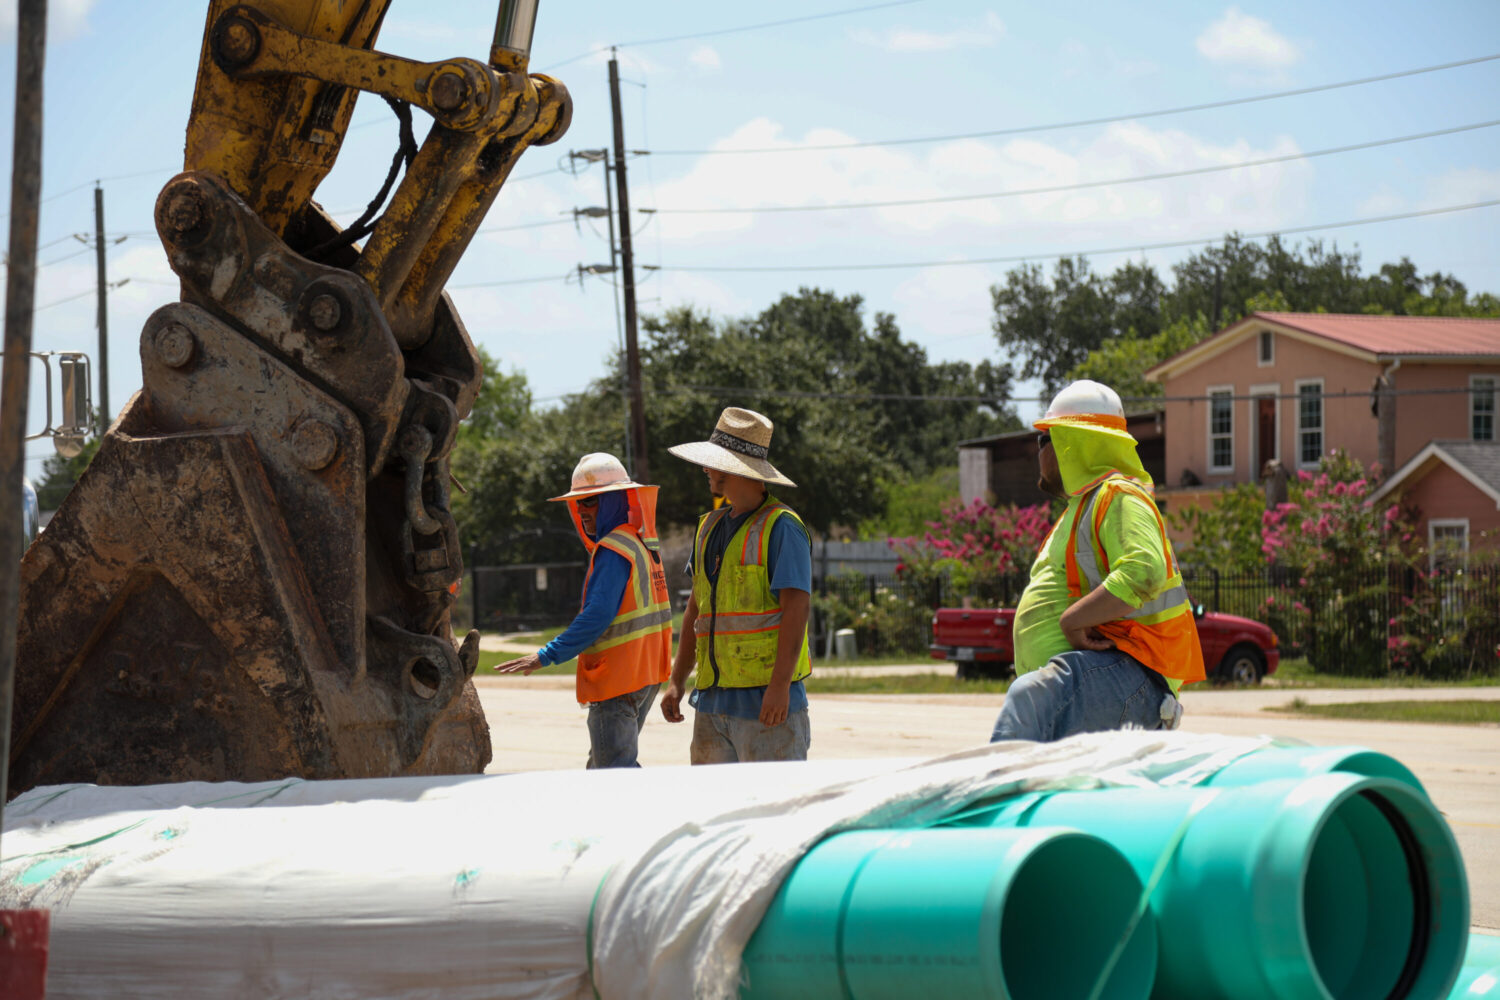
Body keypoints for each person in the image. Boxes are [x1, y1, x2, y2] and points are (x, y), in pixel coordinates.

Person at [990, 380, 1205, 743]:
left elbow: (1144, 570)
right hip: (1106, 676)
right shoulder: (1081, 509)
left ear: (1072, 443)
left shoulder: (1119, 495)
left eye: (1045, 439)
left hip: (1131, 672)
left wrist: (1072, 620)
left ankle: (992, 799)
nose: (1038, 452)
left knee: (1028, 701)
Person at [497, 453, 672, 768]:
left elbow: (597, 615)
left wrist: (547, 654)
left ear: (613, 501)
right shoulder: (639, 542)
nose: (582, 511)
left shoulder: (613, 549)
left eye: (590, 501)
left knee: (612, 774)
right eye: (578, 504)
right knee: (605, 765)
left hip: (618, 679)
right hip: (644, 675)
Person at [660, 407, 813, 763]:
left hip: (768, 706)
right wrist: (676, 680)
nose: (705, 470)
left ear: (732, 468)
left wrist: (778, 689)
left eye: (712, 463)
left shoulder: (782, 527)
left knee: (774, 812)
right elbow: (696, 610)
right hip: (712, 704)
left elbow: (797, 608)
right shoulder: (708, 528)